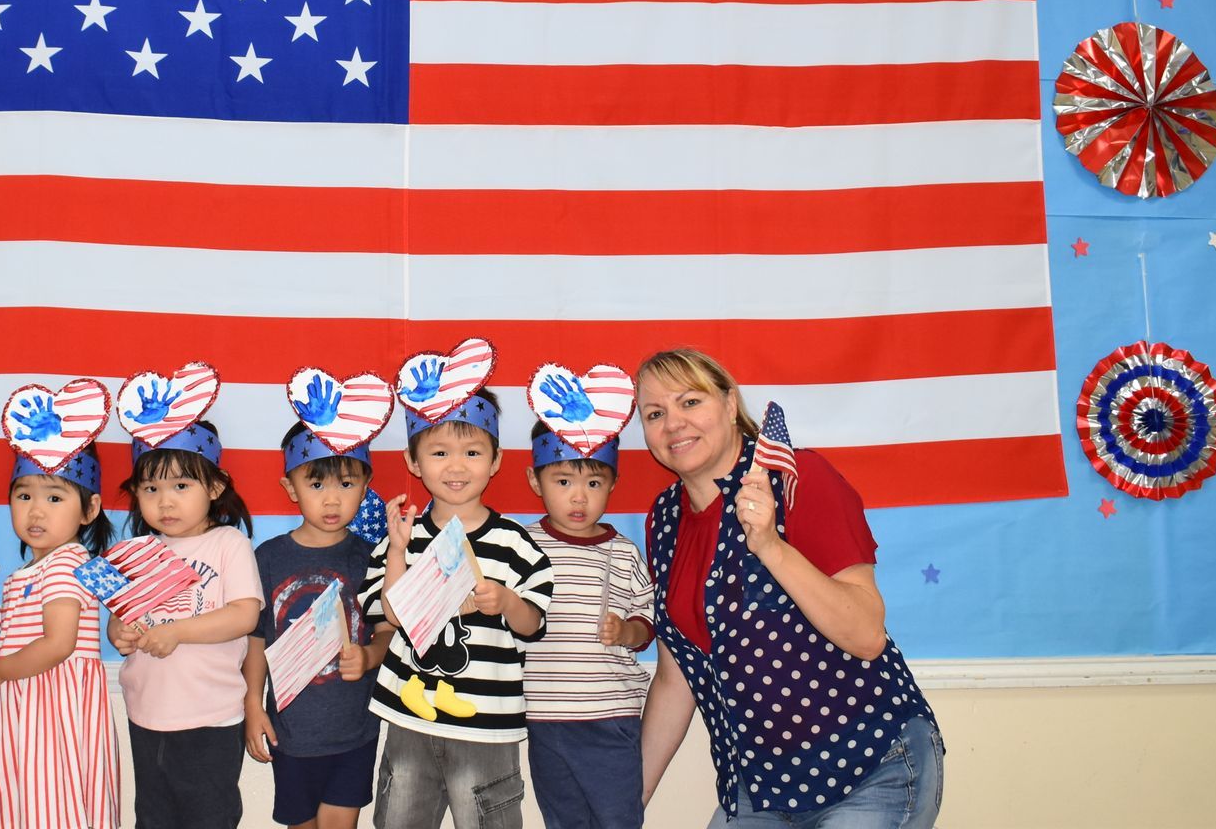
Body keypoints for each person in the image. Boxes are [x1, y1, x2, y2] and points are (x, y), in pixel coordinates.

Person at [635, 348, 943, 827]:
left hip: (869, 764)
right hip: (761, 784)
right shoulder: (664, 519)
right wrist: (628, 800)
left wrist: (772, 547)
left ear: (730, 403)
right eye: (655, 413)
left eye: (690, 402)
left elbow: (866, 634)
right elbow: (678, 678)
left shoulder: (798, 479)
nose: (673, 422)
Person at [359, 390, 555, 829]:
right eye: (439, 452)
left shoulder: (514, 542)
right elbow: (390, 614)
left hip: (487, 725)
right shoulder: (402, 538)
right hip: (410, 717)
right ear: (414, 462)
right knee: (399, 820)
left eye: (472, 452)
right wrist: (397, 549)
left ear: (496, 459)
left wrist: (507, 601)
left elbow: (533, 624)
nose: (456, 466)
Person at [109, 420, 263, 829]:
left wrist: (176, 632)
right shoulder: (137, 551)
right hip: (146, 712)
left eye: (181, 486)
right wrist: (119, 632)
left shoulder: (229, 543)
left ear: (214, 487)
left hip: (209, 718)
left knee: (209, 818)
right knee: (153, 818)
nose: (165, 502)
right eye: (151, 489)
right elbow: (118, 620)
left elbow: (244, 615)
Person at [244, 423, 395, 829]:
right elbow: (257, 638)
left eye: (346, 484)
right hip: (290, 733)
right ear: (290, 488)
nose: (332, 499)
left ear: (365, 486)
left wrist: (367, 656)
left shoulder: (371, 557)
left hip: (355, 731)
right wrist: (252, 704)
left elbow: (387, 629)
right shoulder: (270, 557)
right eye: (315, 485)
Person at [0, 445, 118, 829]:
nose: (36, 510)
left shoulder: (67, 562)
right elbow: (17, 638)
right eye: (24, 495)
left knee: (49, 803)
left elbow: (58, 644)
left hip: (49, 707)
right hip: (24, 701)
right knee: (25, 801)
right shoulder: (24, 573)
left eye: (54, 497)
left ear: (90, 509)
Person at [522, 421, 655, 829]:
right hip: (543, 716)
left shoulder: (624, 551)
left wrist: (627, 631)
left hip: (610, 717)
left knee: (618, 818)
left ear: (613, 484)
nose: (579, 497)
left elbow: (647, 620)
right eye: (563, 481)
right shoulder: (521, 544)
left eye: (594, 484)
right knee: (562, 819)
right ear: (535, 480)